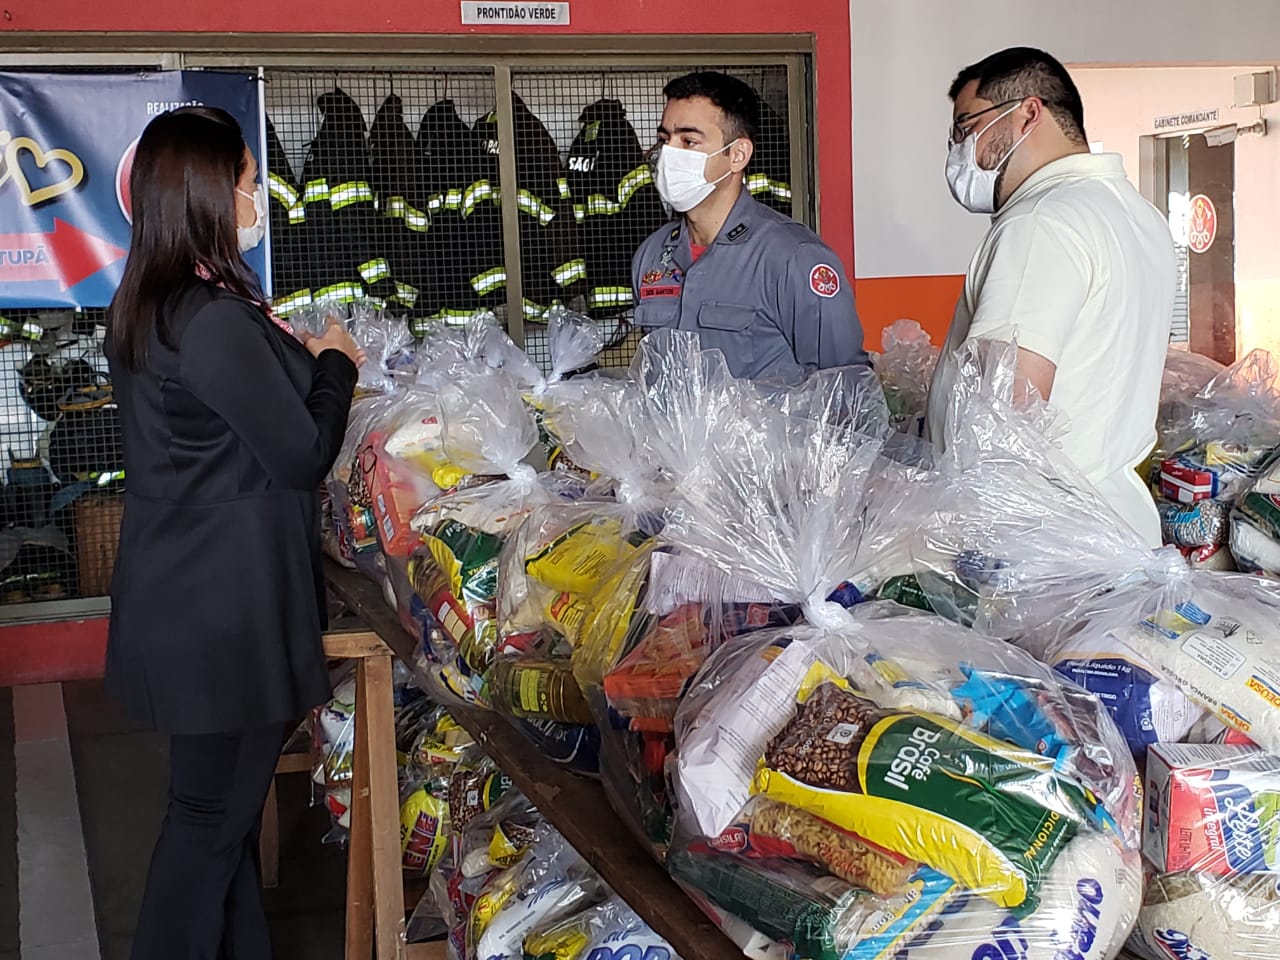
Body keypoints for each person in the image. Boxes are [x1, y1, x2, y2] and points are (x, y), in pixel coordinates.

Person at [105, 106, 361, 959]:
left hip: (187, 594)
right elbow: (301, 454)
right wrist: (336, 366)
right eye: (252, 182)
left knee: (217, 820)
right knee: (208, 828)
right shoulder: (208, 318)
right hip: (224, 615)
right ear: (209, 195)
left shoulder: (158, 301)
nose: (261, 197)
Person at [925, 47, 1175, 546]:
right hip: (1116, 528)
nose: (958, 150)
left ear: (1027, 114)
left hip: (1041, 548)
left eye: (965, 127)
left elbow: (1001, 414)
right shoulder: (1138, 215)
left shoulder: (1039, 223)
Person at [632, 71, 867, 381]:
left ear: (737, 155)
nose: (668, 155)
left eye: (689, 141)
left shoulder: (794, 259)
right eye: (665, 140)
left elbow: (846, 393)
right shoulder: (651, 256)